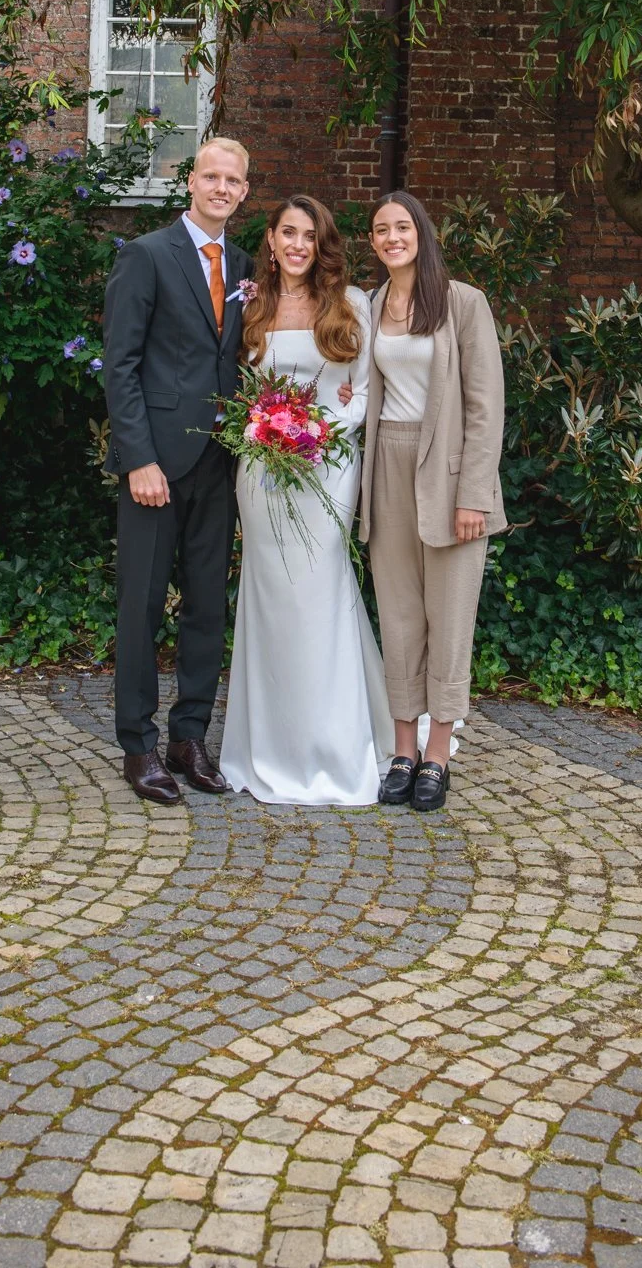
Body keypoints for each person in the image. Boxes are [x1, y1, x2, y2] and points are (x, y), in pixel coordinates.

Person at [220, 196, 393, 805]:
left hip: (328, 466)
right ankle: (268, 746)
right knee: (270, 599)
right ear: (270, 240)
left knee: (319, 592)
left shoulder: (352, 304)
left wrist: (314, 433)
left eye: (309, 236)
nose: (298, 245)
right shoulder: (249, 304)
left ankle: (333, 749)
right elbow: (238, 387)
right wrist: (264, 433)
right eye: (288, 233)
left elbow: (362, 392)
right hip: (261, 470)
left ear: (323, 246)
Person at [101, 138, 254, 805]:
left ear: (244, 191)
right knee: (140, 607)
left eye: (233, 180)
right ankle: (137, 745)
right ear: (190, 181)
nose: (221, 188)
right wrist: (138, 458)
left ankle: (188, 738)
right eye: (211, 176)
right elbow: (121, 364)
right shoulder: (145, 256)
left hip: (220, 461)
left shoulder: (244, 266)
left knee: (206, 608)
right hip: (156, 465)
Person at [359, 190, 505, 813]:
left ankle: (438, 754)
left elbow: (486, 406)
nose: (392, 237)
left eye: (402, 226)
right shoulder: (370, 305)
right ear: (372, 242)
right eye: (380, 230)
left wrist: (474, 495)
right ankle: (403, 750)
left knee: (448, 618)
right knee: (399, 616)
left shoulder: (462, 302)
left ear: (421, 232)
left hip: (448, 473)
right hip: (386, 469)